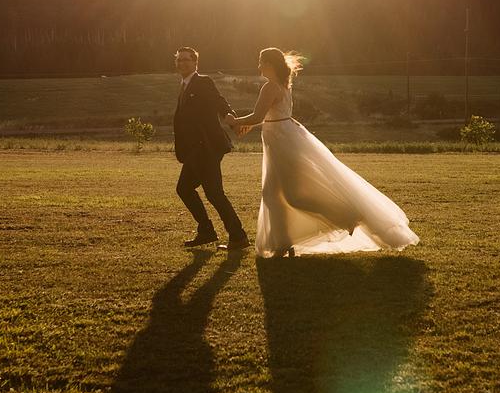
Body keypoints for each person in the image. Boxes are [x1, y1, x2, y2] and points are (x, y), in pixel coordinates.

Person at [227, 48, 419, 258]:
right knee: (272, 195)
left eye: (261, 62)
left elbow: (258, 116)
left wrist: (235, 121)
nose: (259, 66)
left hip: (283, 142)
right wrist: (249, 125)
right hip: (281, 137)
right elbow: (271, 117)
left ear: (270, 64)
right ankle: (283, 244)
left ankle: (347, 215)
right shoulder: (280, 85)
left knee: (293, 196)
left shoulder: (270, 86)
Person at [172, 46, 249, 250]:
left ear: (195, 63)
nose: (182, 63)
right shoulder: (184, 84)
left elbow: (219, 101)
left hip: (206, 147)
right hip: (194, 151)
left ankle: (238, 236)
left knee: (213, 193)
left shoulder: (202, 81)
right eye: (179, 60)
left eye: (186, 60)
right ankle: (207, 231)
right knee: (185, 189)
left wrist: (231, 119)